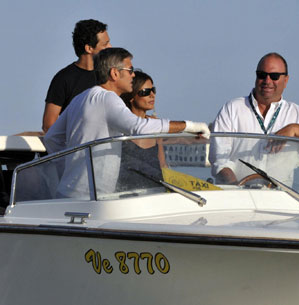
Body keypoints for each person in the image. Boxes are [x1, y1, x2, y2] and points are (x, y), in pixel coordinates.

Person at [43, 47, 209, 198]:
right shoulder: (108, 98)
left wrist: (68, 169)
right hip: (92, 199)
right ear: (115, 73)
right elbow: (137, 127)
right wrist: (190, 126)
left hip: (67, 193)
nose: (133, 75)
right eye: (130, 70)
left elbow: (51, 138)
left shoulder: (81, 97)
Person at [211, 52, 299, 184]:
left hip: (280, 199)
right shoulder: (232, 109)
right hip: (237, 196)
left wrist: (294, 129)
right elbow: (220, 159)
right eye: (262, 75)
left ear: (286, 80)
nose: (267, 81)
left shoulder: (297, 114)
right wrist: (236, 188)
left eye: (274, 76)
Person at [42, 19, 112, 132]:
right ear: (89, 48)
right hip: (78, 147)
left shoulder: (111, 76)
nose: (110, 47)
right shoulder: (63, 78)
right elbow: (49, 124)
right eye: (105, 44)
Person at [116, 70, 167, 191]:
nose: (152, 95)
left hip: (155, 192)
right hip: (124, 194)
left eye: (153, 90)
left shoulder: (156, 125)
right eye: (146, 92)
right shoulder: (120, 126)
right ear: (132, 97)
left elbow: (163, 165)